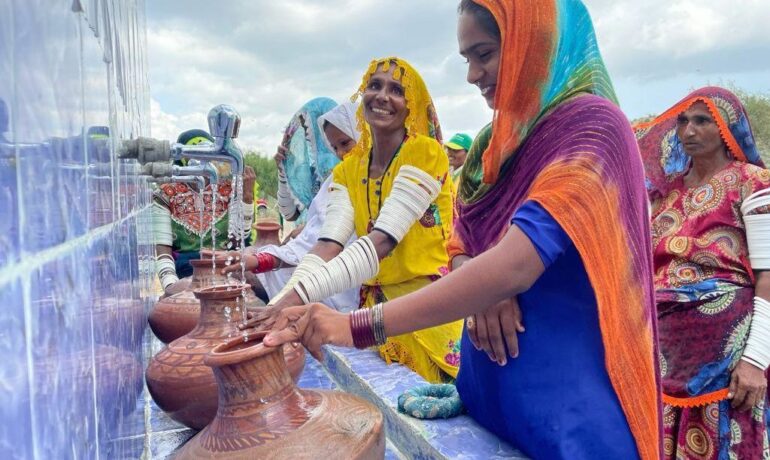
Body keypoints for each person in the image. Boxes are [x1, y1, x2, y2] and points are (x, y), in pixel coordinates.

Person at [262, 1, 661, 458]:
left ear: (535, 43)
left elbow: (515, 263)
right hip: (491, 407)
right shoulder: (493, 146)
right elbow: (460, 242)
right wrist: (482, 282)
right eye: (467, 59)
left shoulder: (593, 129)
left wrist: (354, 326)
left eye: (484, 54)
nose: (472, 75)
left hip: (568, 422)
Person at [249, 56, 463, 384]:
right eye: (374, 85)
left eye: (397, 90)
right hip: (375, 316)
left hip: (424, 313)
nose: (382, 95)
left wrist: (293, 299)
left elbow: (381, 242)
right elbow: (327, 245)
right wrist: (280, 305)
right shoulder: (348, 170)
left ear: (412, 106)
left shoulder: (425, 153)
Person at [635, 87, 770, 459]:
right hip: (664, 356)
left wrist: (756, 360)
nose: (688, 130)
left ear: (727, 127)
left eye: (702, 120)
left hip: (728, 361)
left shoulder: (753, 182)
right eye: (682, 121)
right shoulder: (665, 196)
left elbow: (769, 276)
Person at [227, 100, 360, 312]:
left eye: (345, 143)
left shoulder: (369, 176)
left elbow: (336, 242)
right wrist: (256, 260)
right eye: (334, 146)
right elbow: (292, 217)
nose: (339, 153)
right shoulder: (338, 179)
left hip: (353, 271)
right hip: (316, 250)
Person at [152, 129, 256, 296]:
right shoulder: (165, 195)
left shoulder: (230, 189)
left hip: (227, 267)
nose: (201, 161)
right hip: (187, 269)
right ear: (183, 159)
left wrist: (247, 198)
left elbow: (239, 242)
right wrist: (171, 289)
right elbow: (163, 252)